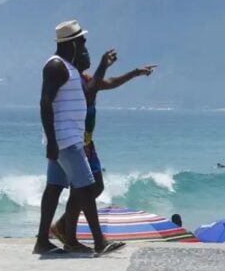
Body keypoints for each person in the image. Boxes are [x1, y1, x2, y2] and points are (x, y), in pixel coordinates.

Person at [32, 20, 123, 256]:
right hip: (66, 140)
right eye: (80, 41)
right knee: (86, 186)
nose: (83, 44)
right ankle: (99, 242)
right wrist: (51, 141)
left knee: (54, 188)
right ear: (70, 43)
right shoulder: (55, 67)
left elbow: (90, 90)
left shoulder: (68, 68)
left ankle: (42, 241)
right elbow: (45, 103)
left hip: (66, 138)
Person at [52, 45, 156, 247]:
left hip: (88, 142)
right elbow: (89, 93)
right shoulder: (74, 81)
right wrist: (103, 65)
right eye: (84, 53)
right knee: (83, 188)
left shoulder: (85, 77)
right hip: (77, 141)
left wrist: (135, 73)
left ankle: (64, 227)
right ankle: (69, 234)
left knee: (94, 186)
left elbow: (108, 83)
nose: (87, 55)